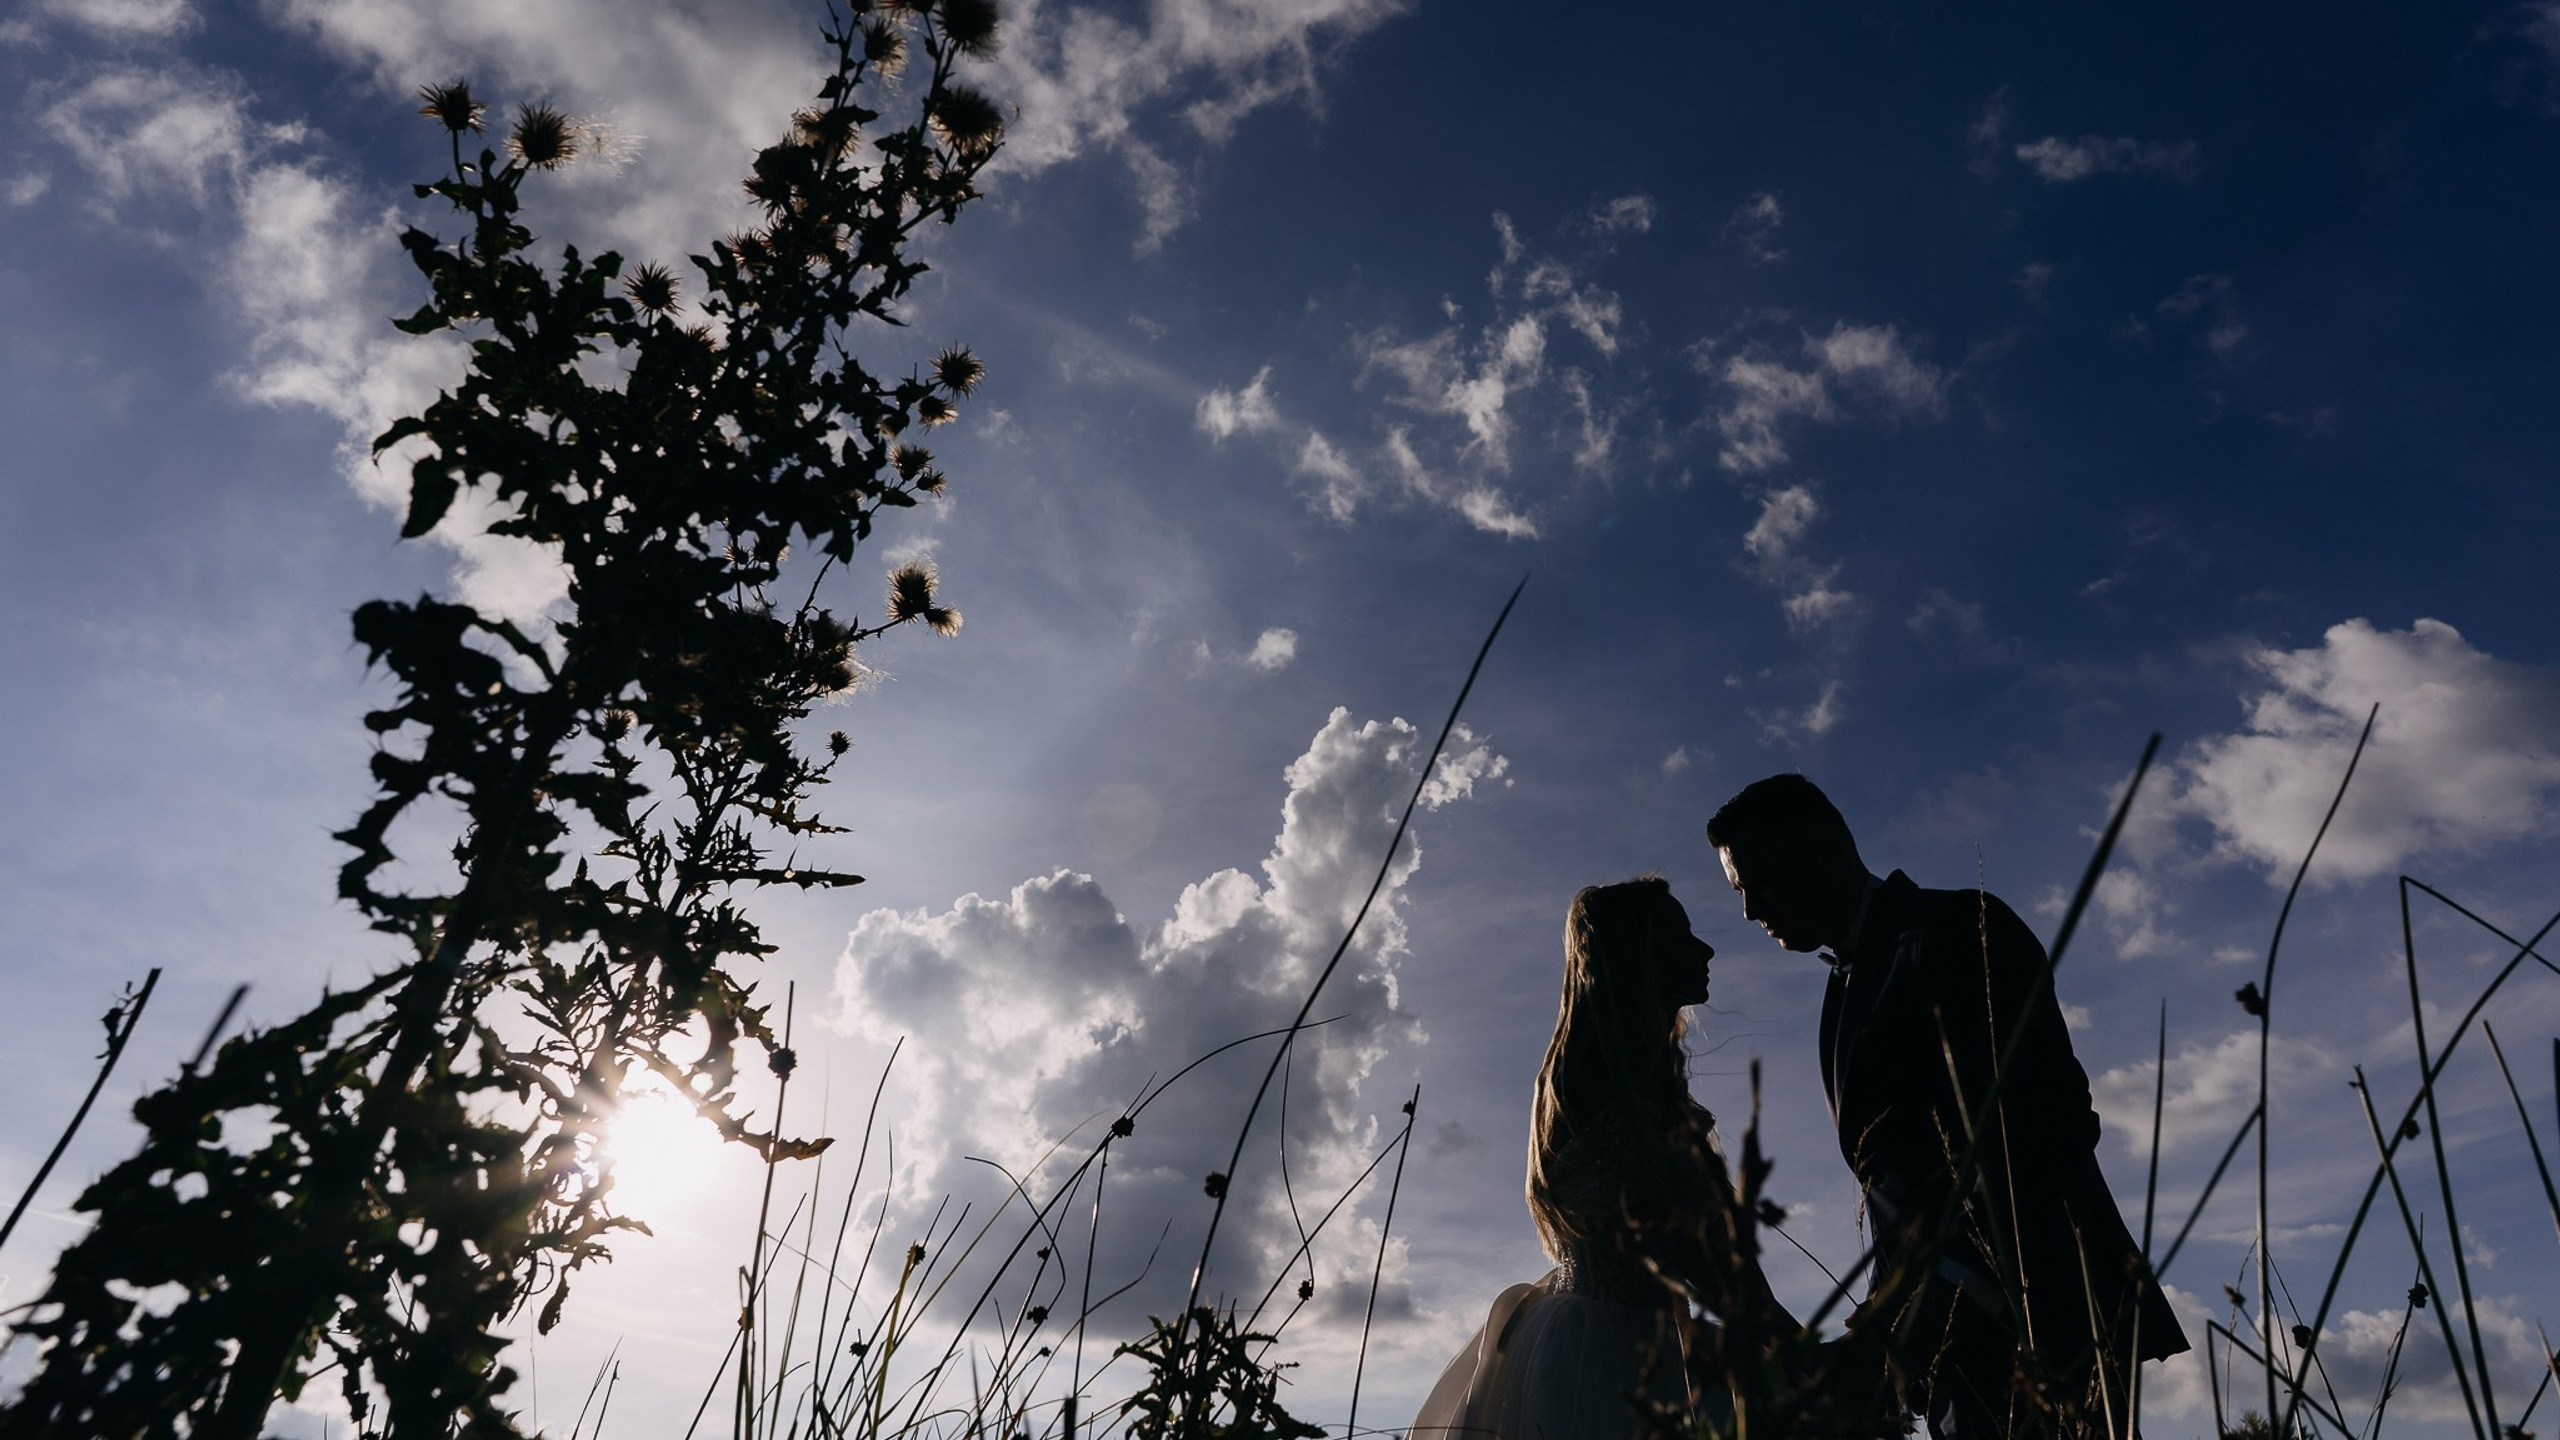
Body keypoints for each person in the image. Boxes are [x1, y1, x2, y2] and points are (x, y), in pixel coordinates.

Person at [1706, 774, 2188, 1438]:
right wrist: (1886, 1315)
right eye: (1739, 890)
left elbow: (2044, 1126)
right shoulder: (1842, 989)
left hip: (2035, 1317)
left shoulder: (1958, 928)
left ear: (1826, 846)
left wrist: (1915, 1314)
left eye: (1760, 880)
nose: (1749, 910)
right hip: (1949, 1351)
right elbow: (1897, 1188)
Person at [1409, 877, 1793, 1439]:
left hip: (1630, 1336)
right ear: (1636, 956)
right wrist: (1800, 1349)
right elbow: (1691, 1251)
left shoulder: (1632, 1083)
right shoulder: (1602, 1087)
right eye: (1680, 937)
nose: (1706, 949)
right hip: (1604, 1354)